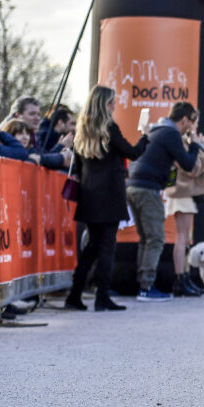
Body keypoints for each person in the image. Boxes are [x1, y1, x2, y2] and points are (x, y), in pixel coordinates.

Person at [65, 86, 149, 312]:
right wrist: (145, 136)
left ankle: (75, 295)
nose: (115, 105)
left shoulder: (83, 130)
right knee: (106, 248)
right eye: (112, 102)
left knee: (92, 247)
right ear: (104, 104)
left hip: (89, 195)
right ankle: (102, 296)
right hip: (110, 195)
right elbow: (132, 153)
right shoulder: (109, 128)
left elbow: (79, 166)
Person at [126, 101, 204, 301]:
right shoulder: (171, 133)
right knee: (156, 238)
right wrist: (196, 144)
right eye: (192, 122)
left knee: (146, 238)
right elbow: (188, 164)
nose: (193, 126)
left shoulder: (157, 130)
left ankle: (143, 285)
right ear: (185, 120)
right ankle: (147, 287)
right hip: (148, 188)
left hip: (133, 186)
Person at [164, 128, 204, 297]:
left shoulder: (187, 142)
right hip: (181, 194)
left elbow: (202, 165)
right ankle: (180, 279)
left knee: (185, 239)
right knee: (182, 238)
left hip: (186, 194)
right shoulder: (180, 143)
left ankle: (184, 278)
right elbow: (193, 168)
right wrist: (201, 145)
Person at [5, 96, 71, 169]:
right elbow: (37, 158)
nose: (37, 118)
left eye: (38, 114)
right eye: (32, 114)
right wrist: (61, 157)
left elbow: (40, 157)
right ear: (17, 115)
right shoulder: (6, 137)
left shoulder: (34, 136)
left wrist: (60, 147)